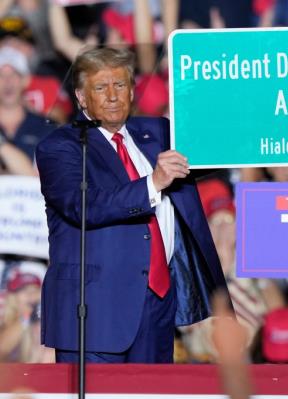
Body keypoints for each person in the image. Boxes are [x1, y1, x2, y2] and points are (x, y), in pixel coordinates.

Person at [35, 47, 229, 363]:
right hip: (95, 312)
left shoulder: (159, 133)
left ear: (132, 90)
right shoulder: (60, 147)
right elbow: (83, 206)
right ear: (82, 97)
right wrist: (154, 183)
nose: (113, 96)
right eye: (101, 87)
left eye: (120, 85)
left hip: (157, 306)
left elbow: (225, 145)